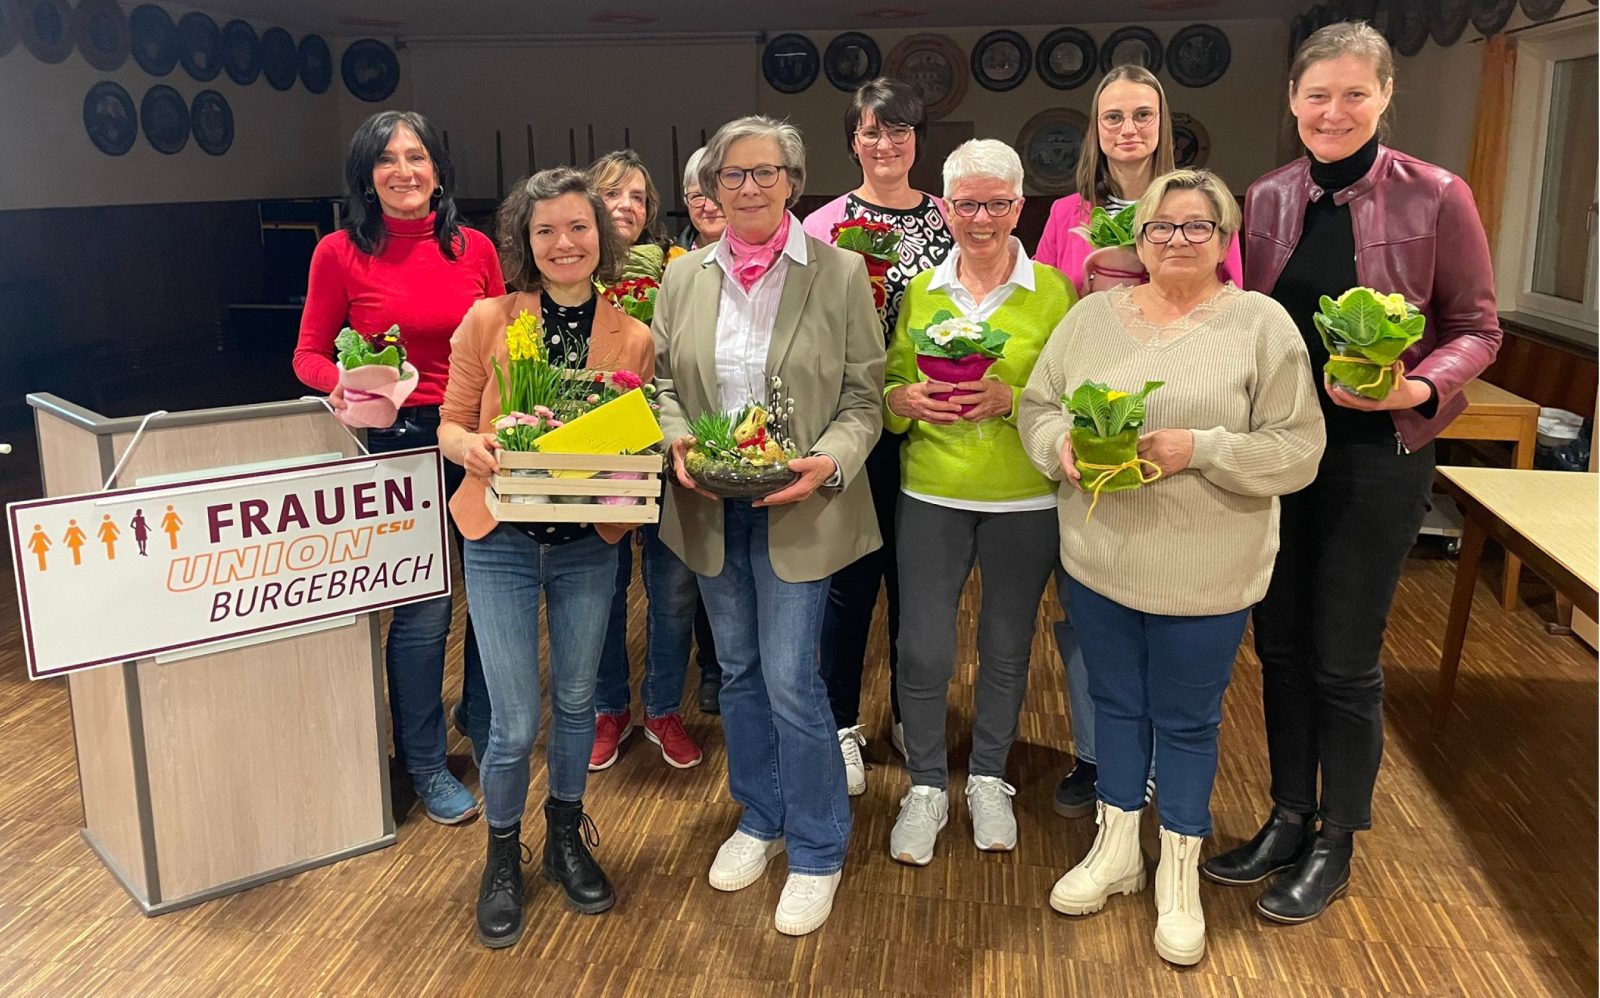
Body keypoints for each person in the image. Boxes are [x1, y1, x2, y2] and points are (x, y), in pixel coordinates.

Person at [1202, 22, 1502, 924]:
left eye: (1353, 95)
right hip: (1282, 454)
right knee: (1279, 647)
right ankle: (1288, 815)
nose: (1334, 112)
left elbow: (1478, 328)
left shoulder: (1437, 194)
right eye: (1317, 96)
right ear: (1293, 101)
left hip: (1378, 459)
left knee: (1342, 658)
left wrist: (1417, 386)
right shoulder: (1268, 196)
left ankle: (1337, 839)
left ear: (1384, 97)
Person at [1019, 168, 1326, 966]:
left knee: (1187, 720)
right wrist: (1059, 448)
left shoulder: (1261, 324)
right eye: (1162, 226)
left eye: (1197, 226)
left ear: (1225, 240)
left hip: (1209, 568)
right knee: (1116, 704)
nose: (1178, 239)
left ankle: (1178, 872)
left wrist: (1202, 449)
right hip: (1100, 558)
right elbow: (1038, 405)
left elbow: (1299, 450)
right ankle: (1118, 849)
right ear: (1139, 238)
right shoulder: (1092, 318)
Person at [654, 115, 883, 936]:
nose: (748, 187)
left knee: (791, 678)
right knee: (741, 673)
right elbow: (663, 384)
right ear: (711, 188)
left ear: (793, 180)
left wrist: (829, 459)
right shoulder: (682, 277)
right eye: (732, 175)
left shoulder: (839, 272)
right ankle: (760, 815)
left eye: (764, 172)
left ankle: (818, 847)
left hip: (802, 507)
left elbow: (864, 398)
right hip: (710, 507)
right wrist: (678, 440)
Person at [438, 166, 655, 948]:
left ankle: (565, 834)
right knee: (511, 720)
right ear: (524, 242)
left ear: (602, 234)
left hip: (586, 547)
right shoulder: (489, 320)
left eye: (578, 227)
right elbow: (450, 424)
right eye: (545, 231)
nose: (564, 243)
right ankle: (502, 854)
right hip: (499, 538)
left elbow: (633, 441)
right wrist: (472, 446)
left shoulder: (634, 337)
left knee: (575, 701)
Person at [1031, 65, 1244, 823]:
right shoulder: (1066, 214)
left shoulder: (1198, 207)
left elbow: (1234, 305)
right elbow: (1050, 313)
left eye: (1142, 115)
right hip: (1094, 434)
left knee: (1175, 624)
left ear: (1164, 123)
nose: (1128, 129)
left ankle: (1161, 759)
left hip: (1178, 428)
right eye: (1113, 116)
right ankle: (1100, 755)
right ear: (1096, 128)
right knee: (1088, 611)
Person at [293, 109, 502, 824]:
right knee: (424, 611)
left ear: (438, 171)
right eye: (387, 159)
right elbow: (308, 354)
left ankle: (482, 717)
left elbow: (502, 343)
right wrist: (347, 386)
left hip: (474, 439)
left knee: (495, 592)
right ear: (366, 175)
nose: (404, 170)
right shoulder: (338, 253)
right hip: (397, 445)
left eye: (417, 156)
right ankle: (423, 761)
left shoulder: (474, 248)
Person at [883, 139, 1074, 866]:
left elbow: (1072, 396)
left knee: (1006, 643)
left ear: (1019, 207)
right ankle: (927, 784)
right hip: (931, 488)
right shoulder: (921, 291)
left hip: (1024, 495)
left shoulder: (1055, 292)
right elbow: (890, 386)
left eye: (997, 203)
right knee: (922, 646)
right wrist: (905, 400)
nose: (981, 218)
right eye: (967, 204)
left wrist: (1011, 399)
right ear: (946, 208)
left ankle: (989, 777)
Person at [801, 77, 956, 794]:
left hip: (930, 424)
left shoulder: (950, 218)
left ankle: (906, 713)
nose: (886, 143)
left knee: (916, 583)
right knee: (850, 582)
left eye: (899, 130)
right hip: (854, 424)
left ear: (917, 140)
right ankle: (839, 722)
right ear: (852, 142)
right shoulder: (823, 225)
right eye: (871, 131)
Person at [587, 149, 706, 769]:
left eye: (637, 197)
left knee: (673, 586)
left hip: (665, 444)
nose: (626, 206)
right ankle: (609, 708)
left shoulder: (676, 268)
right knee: (603, 586)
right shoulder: (574, 273)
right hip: (600, 448)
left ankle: (662, 708)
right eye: (613, 194)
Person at [676, 146, 727, 252]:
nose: (709, 208)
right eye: (697, 196)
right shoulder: (670, 258)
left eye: (718, 194)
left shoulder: (763, 257)